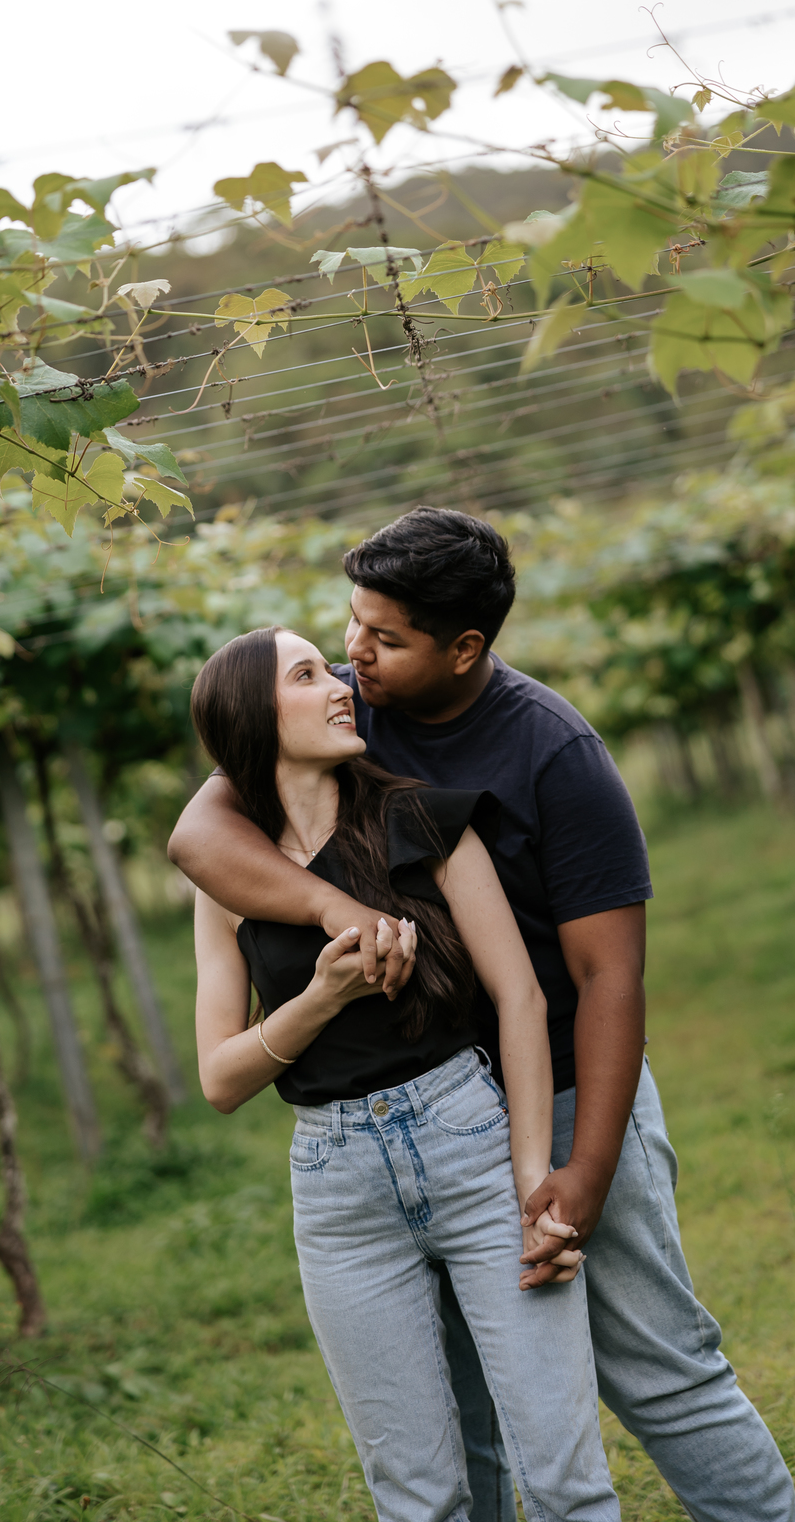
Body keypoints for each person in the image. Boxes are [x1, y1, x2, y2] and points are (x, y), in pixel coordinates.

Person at [170, 509, 795, 1522]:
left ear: (463, 648)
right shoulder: (350, 709)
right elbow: (202, 831)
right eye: (350, 624)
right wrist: (339, 916)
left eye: (383, 637)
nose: (353, 654)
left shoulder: (553, 752)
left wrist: (581, 1170)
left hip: (565, 1083)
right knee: (462, 1425)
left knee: (658, 1370)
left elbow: (607, 980)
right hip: (421, 1105)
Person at [187, 623, 621, 1522]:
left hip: (469, 1143)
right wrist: (320, 997)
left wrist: (530, 1175)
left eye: (330, 668)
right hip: (337, 1190)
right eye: (307, 675)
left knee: (563, 1479)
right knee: (418, 1499)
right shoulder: (225, 879)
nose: (340, 685)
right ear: (254, 720)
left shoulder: (422, 819)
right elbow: (220, 1079)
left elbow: (520, 999)